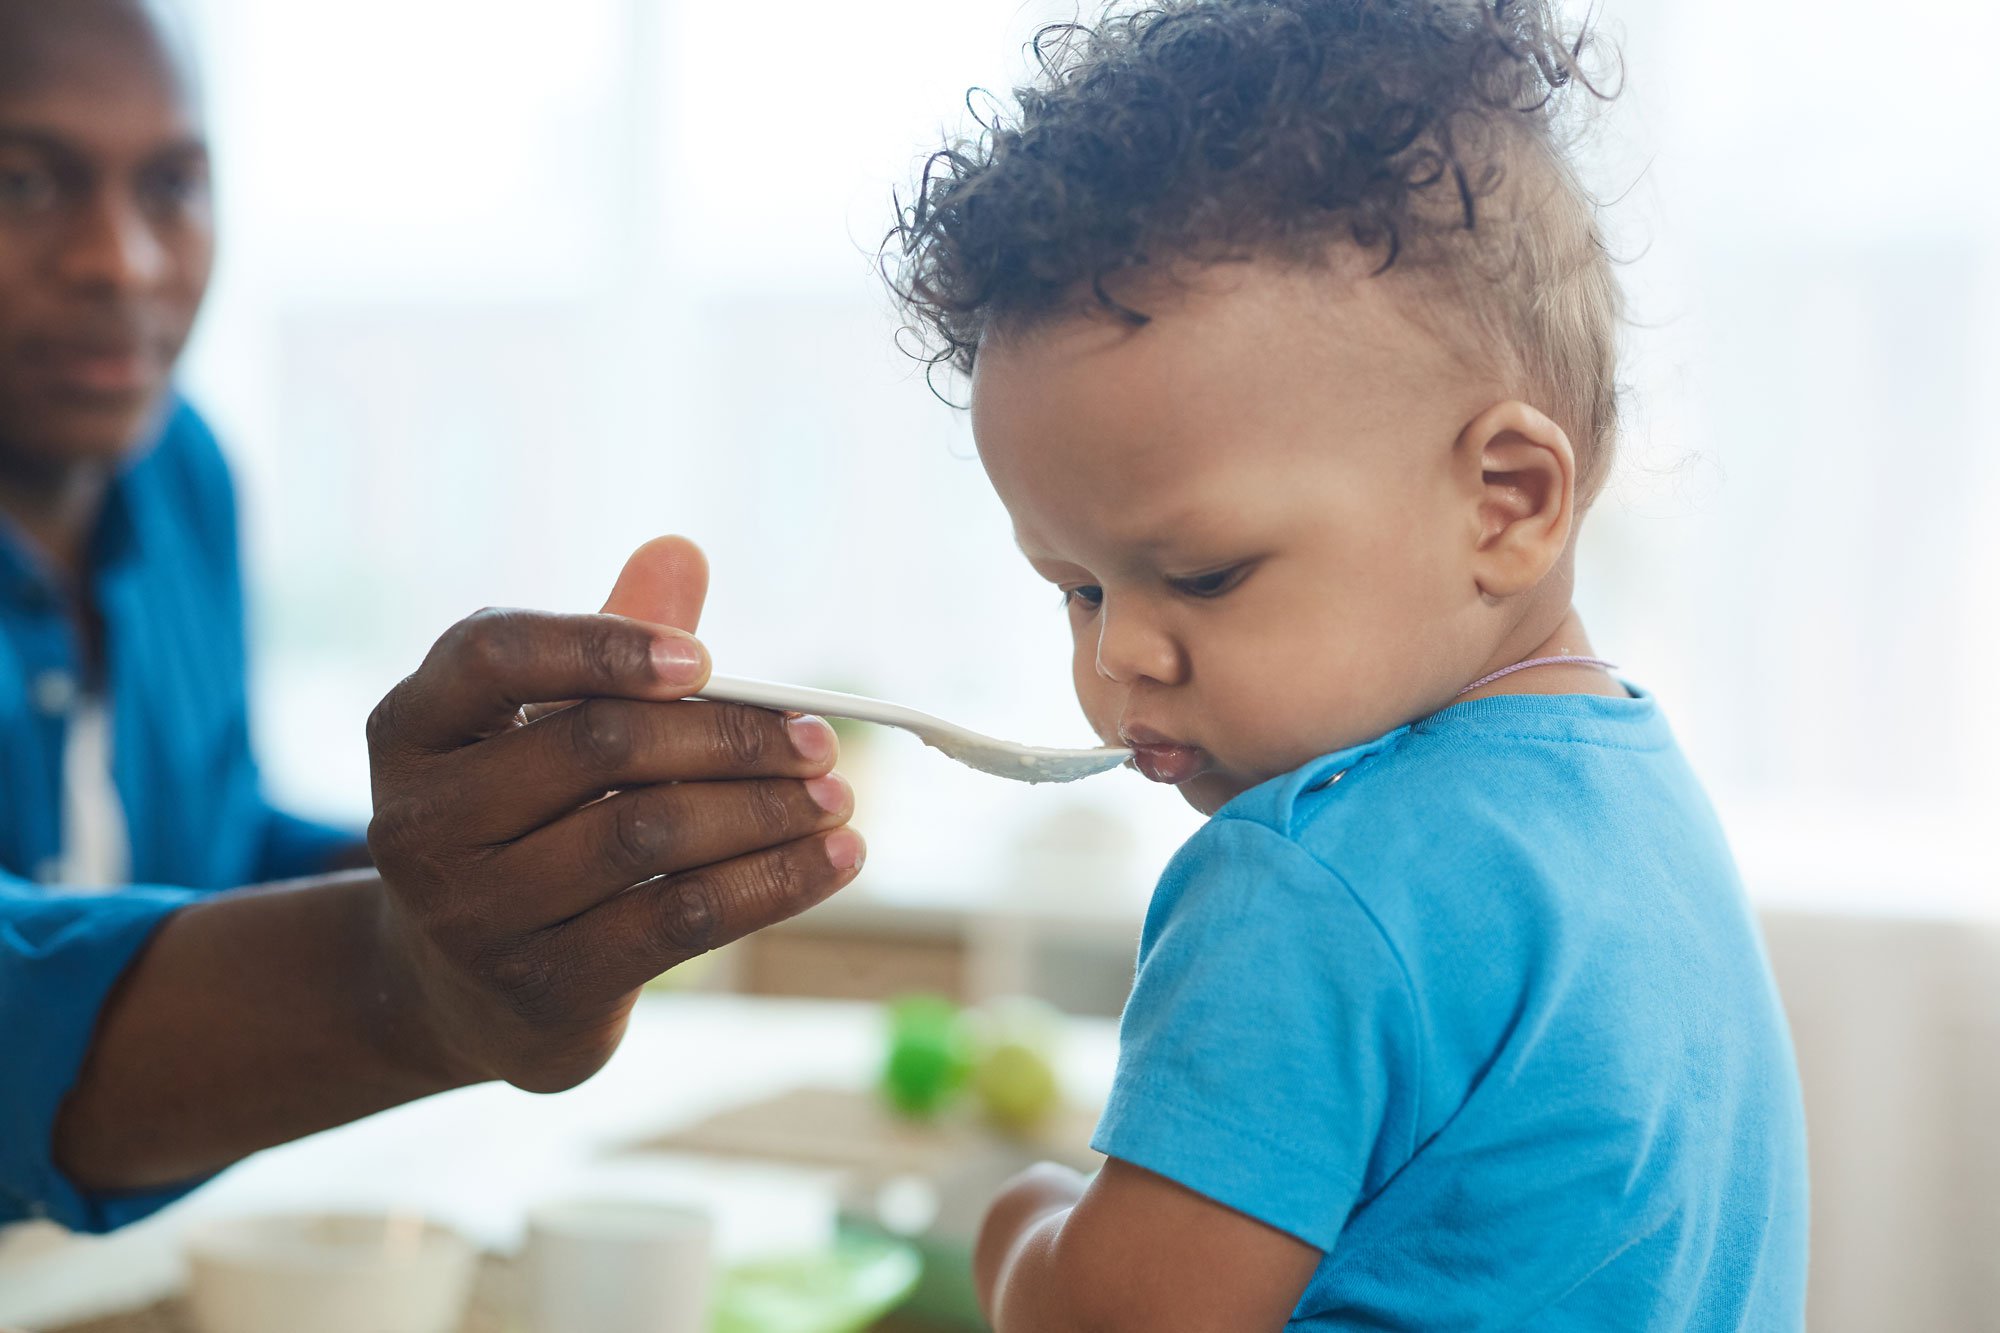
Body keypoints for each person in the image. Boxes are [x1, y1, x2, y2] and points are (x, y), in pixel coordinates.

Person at [887, 1, 1808, 1328]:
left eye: (1204, 574)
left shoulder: (1304, 878)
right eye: (1076, 588)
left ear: (1505, 499)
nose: (1117, 655)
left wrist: (1016, 1224)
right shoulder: (1641, 811)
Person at [1, 0, 864, 1233]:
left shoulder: (179, 475)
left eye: (174, 186)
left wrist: (516, 840)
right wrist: (424, 977)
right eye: (29, 182)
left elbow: (212, 844)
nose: (123, 259)